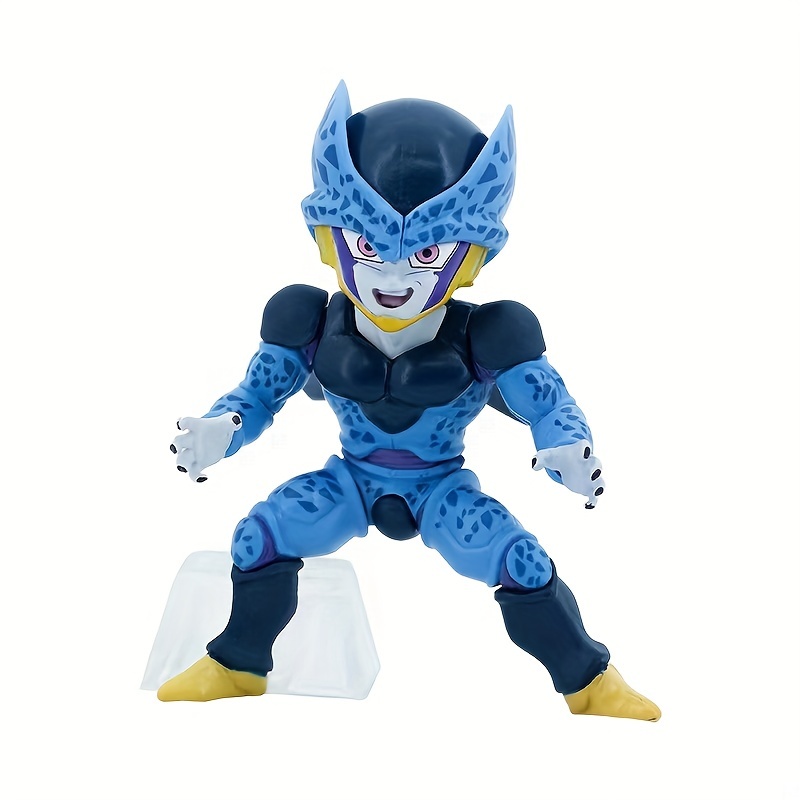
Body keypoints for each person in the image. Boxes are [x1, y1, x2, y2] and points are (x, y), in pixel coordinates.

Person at [158, 82, 660, 721]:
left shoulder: (489, 333)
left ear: (469, 253)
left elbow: (546, 401)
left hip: (441, 489)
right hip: (349, 481)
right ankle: (237, 665)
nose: (393, 278)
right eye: (368, 247)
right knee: (258, 538)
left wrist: (565, 446)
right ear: (332, 237)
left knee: (523, 562)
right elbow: (256, 392)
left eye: (424, 254)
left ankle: (591, 683)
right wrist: (220, 429)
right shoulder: (308, 321)